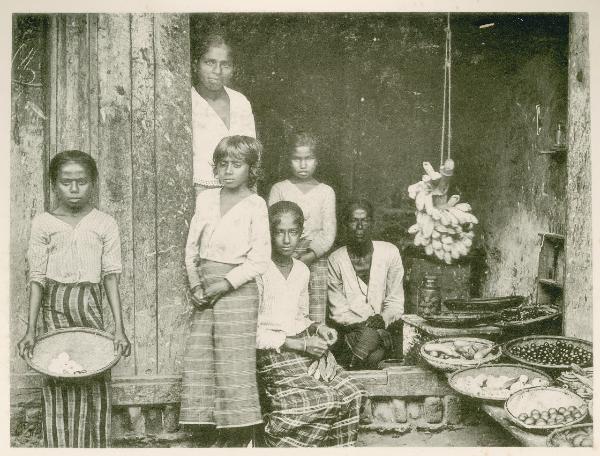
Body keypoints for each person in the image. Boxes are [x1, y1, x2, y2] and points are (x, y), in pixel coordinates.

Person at [17, 150, 131, 447]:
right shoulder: (43, 224)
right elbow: (36, 278)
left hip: (90, 305)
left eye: (81, 181)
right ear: (54, 184)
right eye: (66, 182)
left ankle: (94, 447)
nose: (74, 188)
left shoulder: (104, 223)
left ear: (93, 182)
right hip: (54, 307)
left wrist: (119, 328)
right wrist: (31, 330)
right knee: (59, 373)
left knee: (93, 373)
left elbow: (110, 276)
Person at [181, 135, 270, 447]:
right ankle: (211, 433)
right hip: (206, 288)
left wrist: (227, 283)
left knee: (233, 363)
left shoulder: (256, 205)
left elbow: (260, 259)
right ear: (215, 168)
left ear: (251, 169)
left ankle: (239, 435)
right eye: (222, 164)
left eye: (237, 164)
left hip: (237, 290)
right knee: (202, 358)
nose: (228, 170)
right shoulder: (206, 199)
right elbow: (191, 249)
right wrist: (195, 283)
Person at [256, 201, 365, 447]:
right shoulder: (259, 271)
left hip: (301, 348)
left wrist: (317, 328)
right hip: (273, 354)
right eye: (279, 232)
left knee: (353, 394)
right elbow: (251, 332)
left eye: (292, 232)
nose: (286, 239)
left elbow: (300, 317)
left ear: (301, 234)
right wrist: (302, 345)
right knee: (326, 401)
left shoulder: (302, 271)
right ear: (268, 233)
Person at [327, 198, 405, 370]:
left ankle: (351, 363)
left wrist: (383, 320)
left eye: (365, 220)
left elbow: (395, 302)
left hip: (386, 328)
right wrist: (372, 328)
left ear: (373, 224)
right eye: (354, 221)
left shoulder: (390, 252)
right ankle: (362, 355)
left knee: (375, 353)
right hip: (353, 330)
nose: (360, 226)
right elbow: (338, 312)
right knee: (375, 353)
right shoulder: (336, 259)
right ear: (345, 224)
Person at [268, 132, 336, 323]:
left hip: (315, 257)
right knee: (286, 302)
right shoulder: (279, 189)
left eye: (309, 158)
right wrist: (287, 255)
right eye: (297, 159)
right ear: (289, 160)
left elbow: (328, 232)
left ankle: (316, 346)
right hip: (284, 253)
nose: (303, 164)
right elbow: (272, 226)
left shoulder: (325, 192)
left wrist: (309, 256)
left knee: (314, 307)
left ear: (317, 160)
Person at [191, 31, 256, 196]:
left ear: (233, 68)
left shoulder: (240, 102)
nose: (217, 71)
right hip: (200, 192)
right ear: (195, 64)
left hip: (240, 193)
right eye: (210, 62)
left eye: (225, 64)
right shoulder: (188, 102)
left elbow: (252, 156)